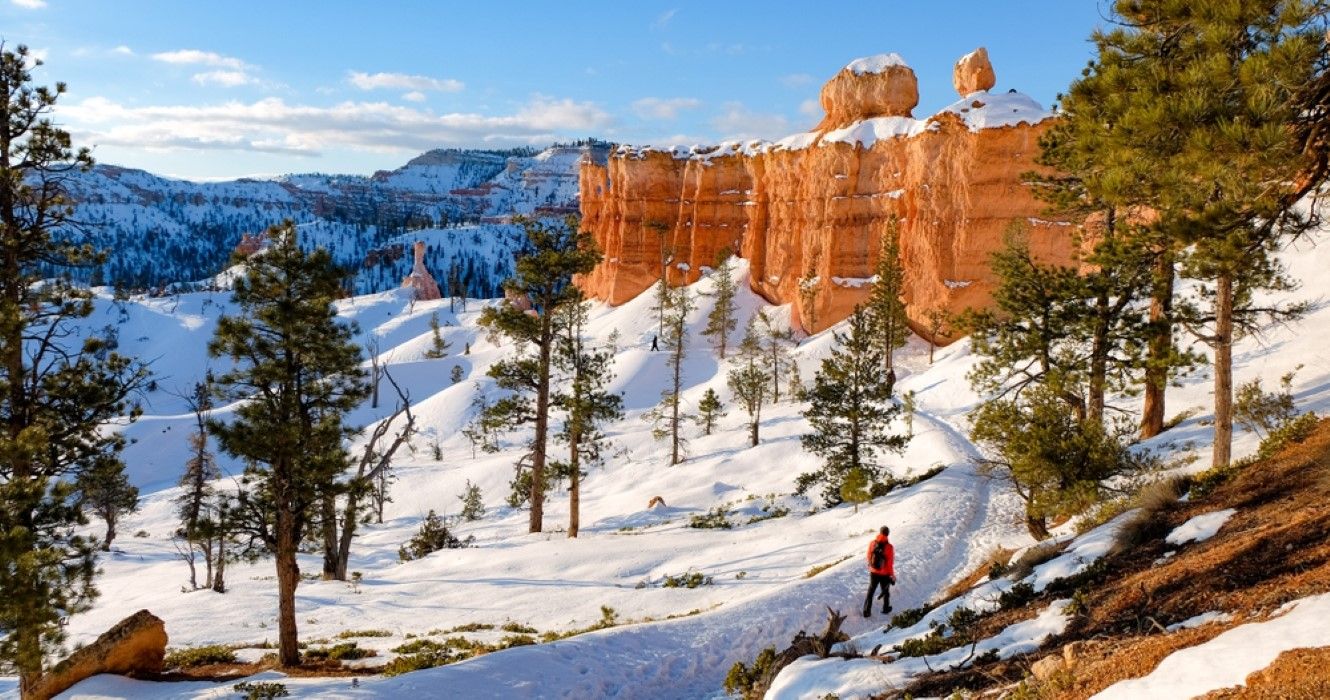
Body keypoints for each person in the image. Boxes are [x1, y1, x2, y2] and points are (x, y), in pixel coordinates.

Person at [863, 525, 895, 617]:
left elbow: (868, 555)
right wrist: (892, 575)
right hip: (884, 573)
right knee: (885, 591)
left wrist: (871, 565)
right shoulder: (889, 547)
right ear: (888, 534)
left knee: (871, 591)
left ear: (880, 533)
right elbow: (889, 563)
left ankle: (866, 611)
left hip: (873, 572)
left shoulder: (872, 543)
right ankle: (885, 609)